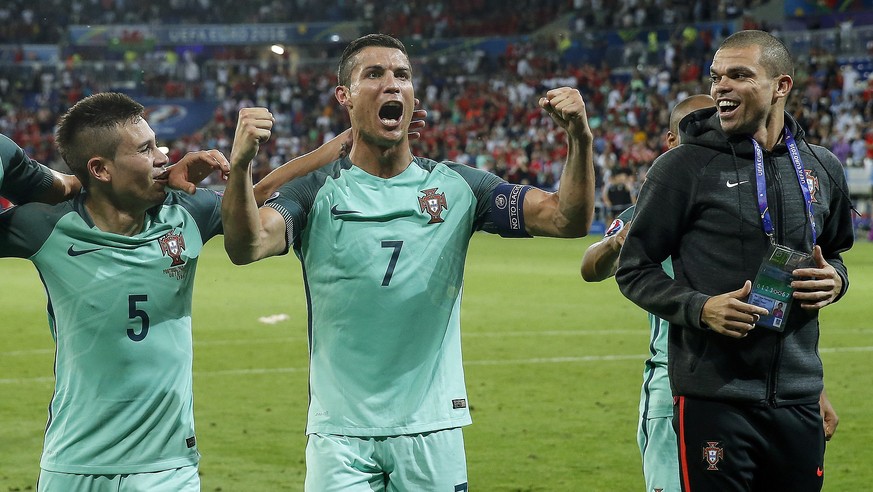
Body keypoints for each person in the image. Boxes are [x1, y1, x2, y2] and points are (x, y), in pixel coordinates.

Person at [220, 33, 595, 491]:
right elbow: (247, 245)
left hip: (431, 428)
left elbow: (566, 218)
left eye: (402, 75)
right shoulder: (316, 191)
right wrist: (240, 168)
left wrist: (580, 138)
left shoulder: (458, 186)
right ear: (346, 96)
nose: (392, 84)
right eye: (373, 74)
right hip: (339, 433)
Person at [615, 30, 854, 491]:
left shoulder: (822, 166)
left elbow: (838, 252)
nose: (721, 87)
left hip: (797, 397)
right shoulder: (683, 168)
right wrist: (700, 308)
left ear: (780, 86)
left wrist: (835, 282)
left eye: (739, 75)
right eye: (716, 76)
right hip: (713, 395)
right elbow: (633, 268)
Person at [0, 92, 233, 491]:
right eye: (145, 148)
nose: (164, 156)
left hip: (167, 467)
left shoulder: (189, 211)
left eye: (158, 144)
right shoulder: (46, 226)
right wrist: (55, 183)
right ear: (100, 169)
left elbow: (260, 206)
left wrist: (246, 158)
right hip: (73, 465)